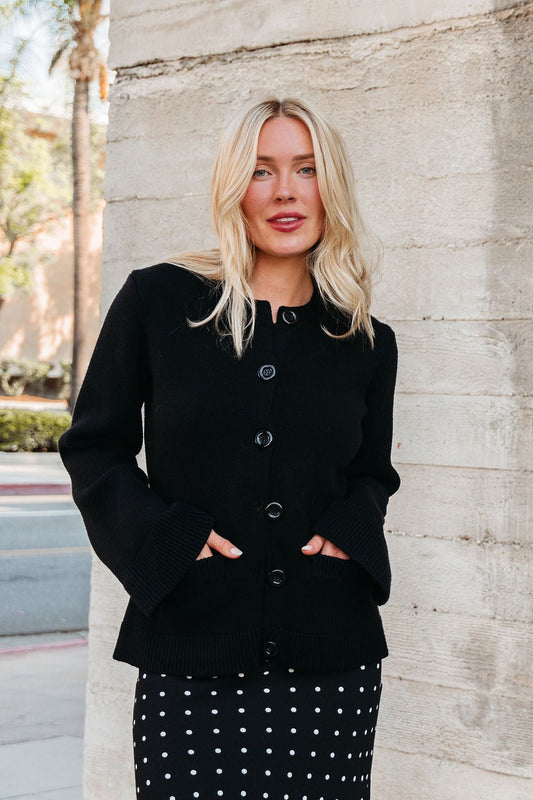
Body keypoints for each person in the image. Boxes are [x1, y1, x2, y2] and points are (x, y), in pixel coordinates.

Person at [59, 97, 401, 800]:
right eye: (260, 171)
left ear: (328, 185)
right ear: (232, 188)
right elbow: (95, 446)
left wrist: (349, 531)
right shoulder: (159, 303)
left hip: (329, 656)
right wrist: (165, 540)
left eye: (305, 169)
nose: (284, 191)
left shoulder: (364, 341)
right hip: (191, 645)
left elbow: (371, 475)